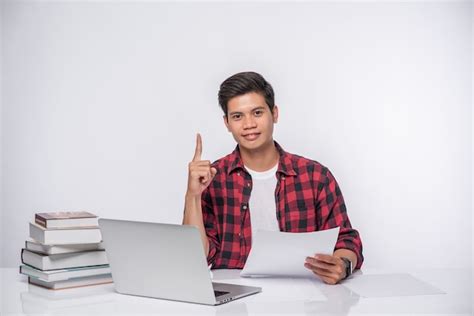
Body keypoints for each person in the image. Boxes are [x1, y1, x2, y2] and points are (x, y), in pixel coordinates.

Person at [183, 71, 363, 285]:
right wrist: (192, 195)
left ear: (274, 114)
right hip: (235, 299)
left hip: (305, 297)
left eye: (257, 113)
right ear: (227, 123)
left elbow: (347, 240)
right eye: (238, 116)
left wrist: (342, 265)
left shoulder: (315, 176)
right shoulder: (213, 179)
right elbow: (194, 258)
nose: (249, 124)